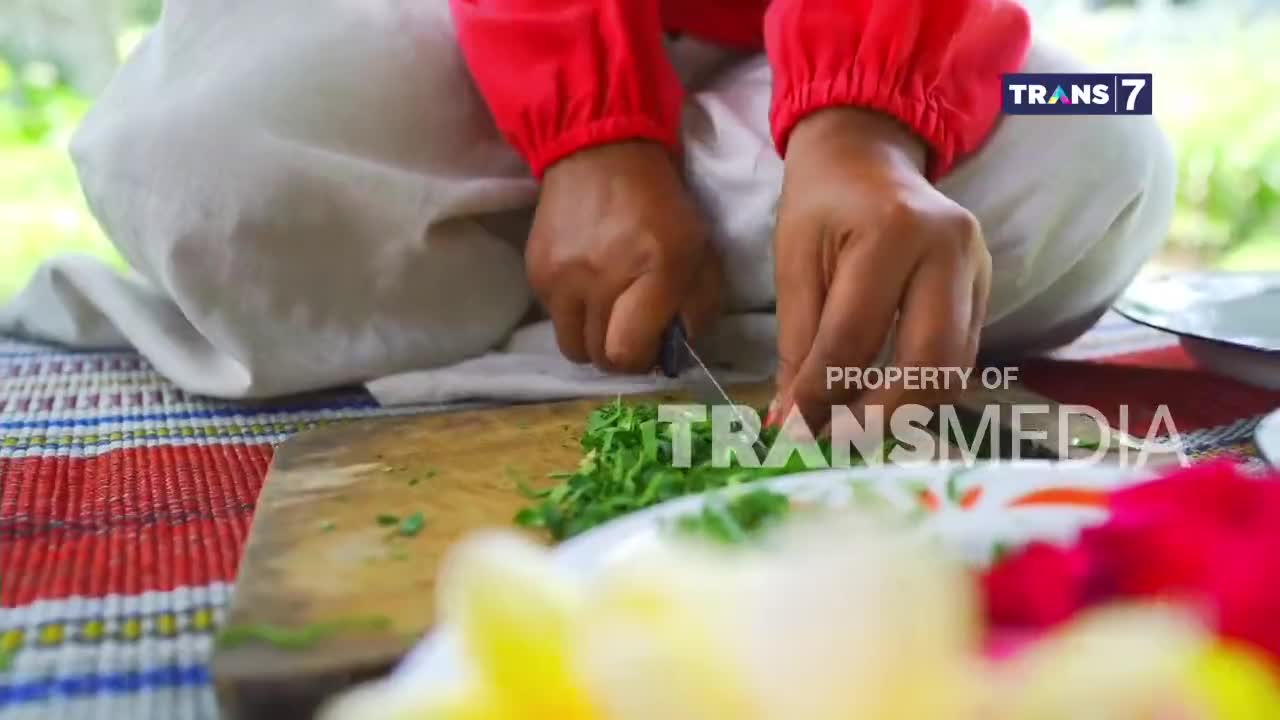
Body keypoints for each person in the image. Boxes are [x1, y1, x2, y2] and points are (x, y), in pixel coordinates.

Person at [0, 0, 1174, 431]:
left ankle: (485, 311)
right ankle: (695, 301)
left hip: (855, 61)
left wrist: (861, 124)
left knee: (1110, 128)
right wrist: (595, 132)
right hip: (470, 39)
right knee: (191, 145)